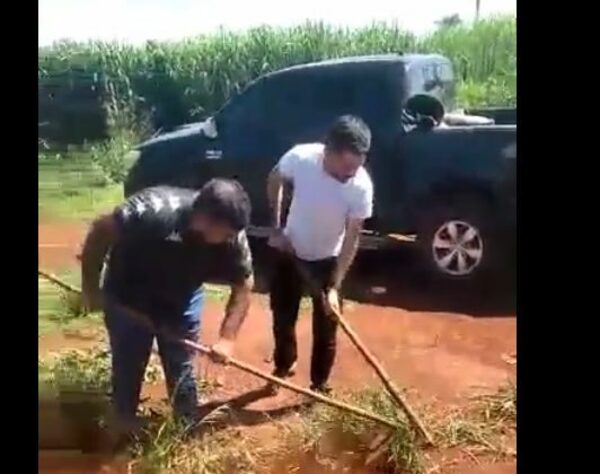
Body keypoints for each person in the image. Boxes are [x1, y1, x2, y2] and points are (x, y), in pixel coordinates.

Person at [80, 179, 254, 435]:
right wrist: (91, 288)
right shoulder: (151, 211)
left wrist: (227, 338)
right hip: (128, 297)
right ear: (205, 219)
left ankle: (186, 426)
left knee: (181, 362)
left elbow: (244, 284)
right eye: (226, 233)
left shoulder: (233, 235)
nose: (231, 238)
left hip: (180, 298)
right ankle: (123, 425)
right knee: (129, 360)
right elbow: (99, 232)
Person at [266, 115, 374, 394]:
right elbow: (274, 179)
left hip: (328, 260)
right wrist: (276, 229)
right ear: (328, 151)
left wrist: (335, 285)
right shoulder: (301, 158)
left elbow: (352, 237)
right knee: (282, 316)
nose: (351, 174)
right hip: (291, 251)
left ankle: (319, 383)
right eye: (346, 166)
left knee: (327, 326)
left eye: (357, 167)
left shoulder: (361, 186)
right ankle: (283, 364)